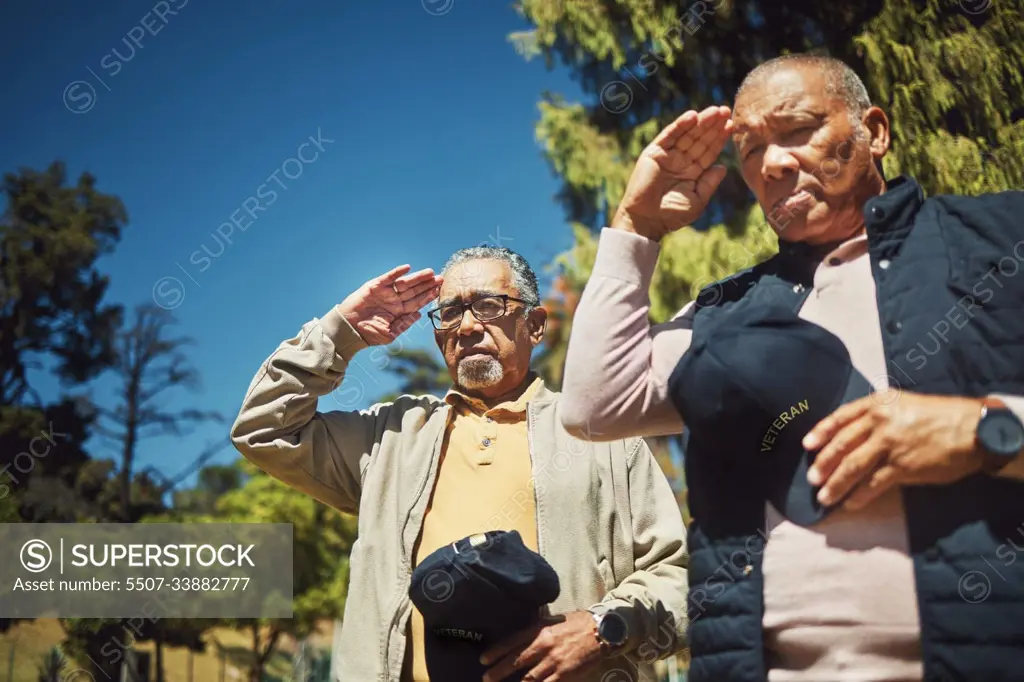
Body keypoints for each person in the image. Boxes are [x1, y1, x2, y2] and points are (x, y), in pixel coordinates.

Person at [559, 53, 1024, 682]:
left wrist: (989, 432)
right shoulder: (728, 314)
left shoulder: (1000, 240)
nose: (773, 164)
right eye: (749, 151)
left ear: (875, 132)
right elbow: (595, 406)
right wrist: (638, 225)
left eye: (798, 130)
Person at [230, 245, 690, 682]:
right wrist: (340, 333)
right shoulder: (392, 436)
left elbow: (680, 577)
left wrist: (599, 627)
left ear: (534, 325)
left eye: (489, 305)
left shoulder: (600, 437)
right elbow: (263, 429)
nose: (466, 326)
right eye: (450, 312)